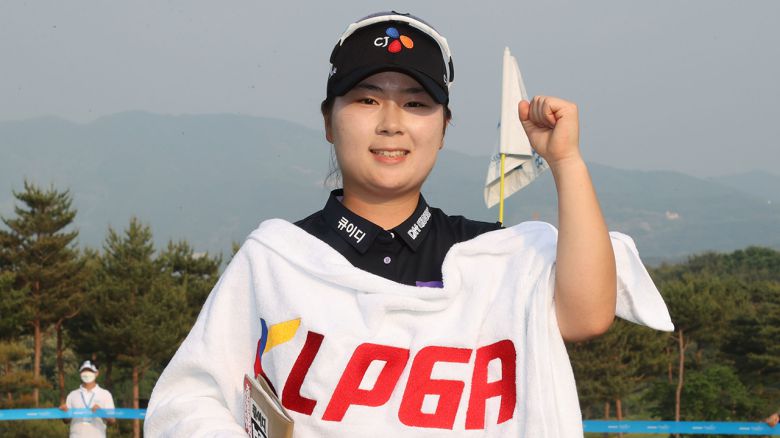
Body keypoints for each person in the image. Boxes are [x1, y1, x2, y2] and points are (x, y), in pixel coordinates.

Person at [145, 11, 671, 437]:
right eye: (367, 99)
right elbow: (188, 398)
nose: (391, 123)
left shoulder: (492, 258)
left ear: (444, 128)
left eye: (416, 103)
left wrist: (566, 161)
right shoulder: (279, 259)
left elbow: (587, 314)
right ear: (329, 121)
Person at [59, 360, 116, 438]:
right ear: (80, 373)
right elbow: (66, 421)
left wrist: (101, 413)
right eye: (84, 371)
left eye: (90, 371)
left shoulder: (105, 394)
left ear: (96, 373)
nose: (87, 374)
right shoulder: (72, 395)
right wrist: (65, 413)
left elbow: (112, 421)